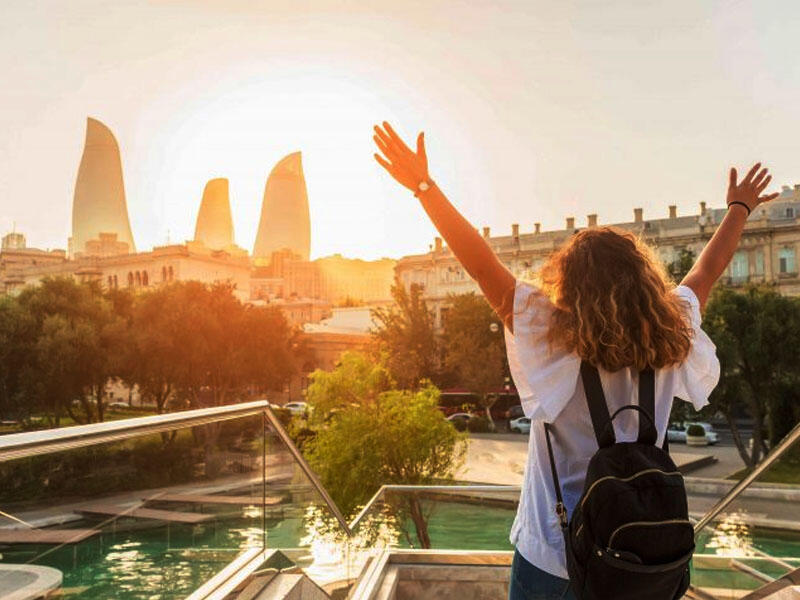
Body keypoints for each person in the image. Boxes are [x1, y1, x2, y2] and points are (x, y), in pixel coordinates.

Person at [372, 122, 779, 600]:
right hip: (640, 562)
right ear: (645, 279)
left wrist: (424, 187)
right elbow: (706, 270)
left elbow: (480, 265)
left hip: (553, 556)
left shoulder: (548, 334)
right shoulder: (672, 333)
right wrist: (739, 208)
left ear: (569, 283)